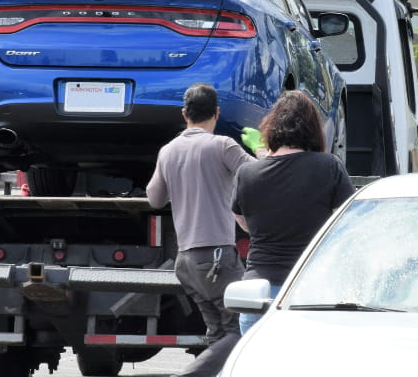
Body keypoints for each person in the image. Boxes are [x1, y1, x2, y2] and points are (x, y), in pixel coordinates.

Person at [146, 83, 256, 377]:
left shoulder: (168, 151)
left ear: (185, 114)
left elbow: (154, 199)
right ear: (217, 113)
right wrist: (260, 148)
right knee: (242, 328)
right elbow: (259, 177)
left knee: (218, 333)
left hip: (186, 262)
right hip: (218, 258)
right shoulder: (222, 146)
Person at [232, 90, 354, 334]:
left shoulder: (247, 174)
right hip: (310, 291)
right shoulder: (328, 166)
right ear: (312, 129)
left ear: (271, 128)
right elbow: (347, 221)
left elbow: (243, 221)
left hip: (258, 294)